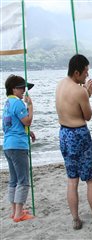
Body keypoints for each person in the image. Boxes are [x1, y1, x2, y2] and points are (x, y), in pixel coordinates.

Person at [55, 54, 92, 229]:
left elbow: (71, 108)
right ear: (77, 72)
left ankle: (76, 219)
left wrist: (84, 93)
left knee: (72, 179)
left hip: (64, 134)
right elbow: (87, 116)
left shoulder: (60, 84)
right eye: (85, 72)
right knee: (91, 180)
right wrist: (88, 93)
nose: (87, 75)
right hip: (79, 134)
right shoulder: (79, 90)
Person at [2, 75, 35, 222]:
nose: (24, 91)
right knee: (23, 179)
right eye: (21, 87)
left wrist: (29, 132)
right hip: (18, 145)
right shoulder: (18, 103)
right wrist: (30, 106)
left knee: (13, 179)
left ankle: (14, 210)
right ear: (14, 89)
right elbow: (27, 121)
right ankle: (19, 214)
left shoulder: (7, 103)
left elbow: (14, 124)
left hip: (8, 145)